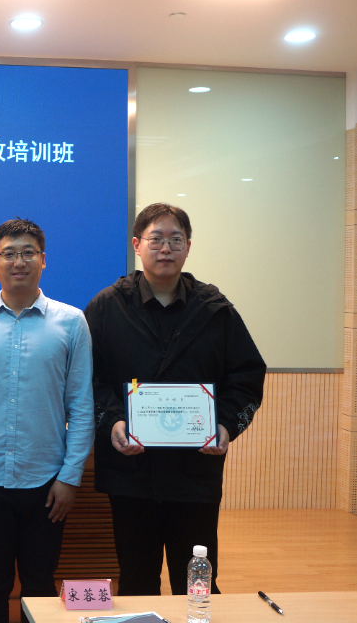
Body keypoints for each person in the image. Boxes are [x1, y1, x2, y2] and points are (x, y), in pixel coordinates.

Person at [84, 203, 265, 595]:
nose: (165, 248)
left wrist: (225, 425)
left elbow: (248, 376)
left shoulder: (215, 310)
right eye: (156, 239)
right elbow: (86, 378)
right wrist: (113, 421)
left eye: (175, 239)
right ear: (137, 244)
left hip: (194, 472)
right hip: (130, 473)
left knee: (197, 581)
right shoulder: (107, 307)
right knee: (137, 581)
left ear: (188, 247)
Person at [0, 218, 94, 623]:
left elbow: (81, 406)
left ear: (43, 260)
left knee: (40, 586)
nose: (19, 261)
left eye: (28, 252)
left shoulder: (71, 322)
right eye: (9, 253)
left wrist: (70, 477)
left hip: (47, 482)